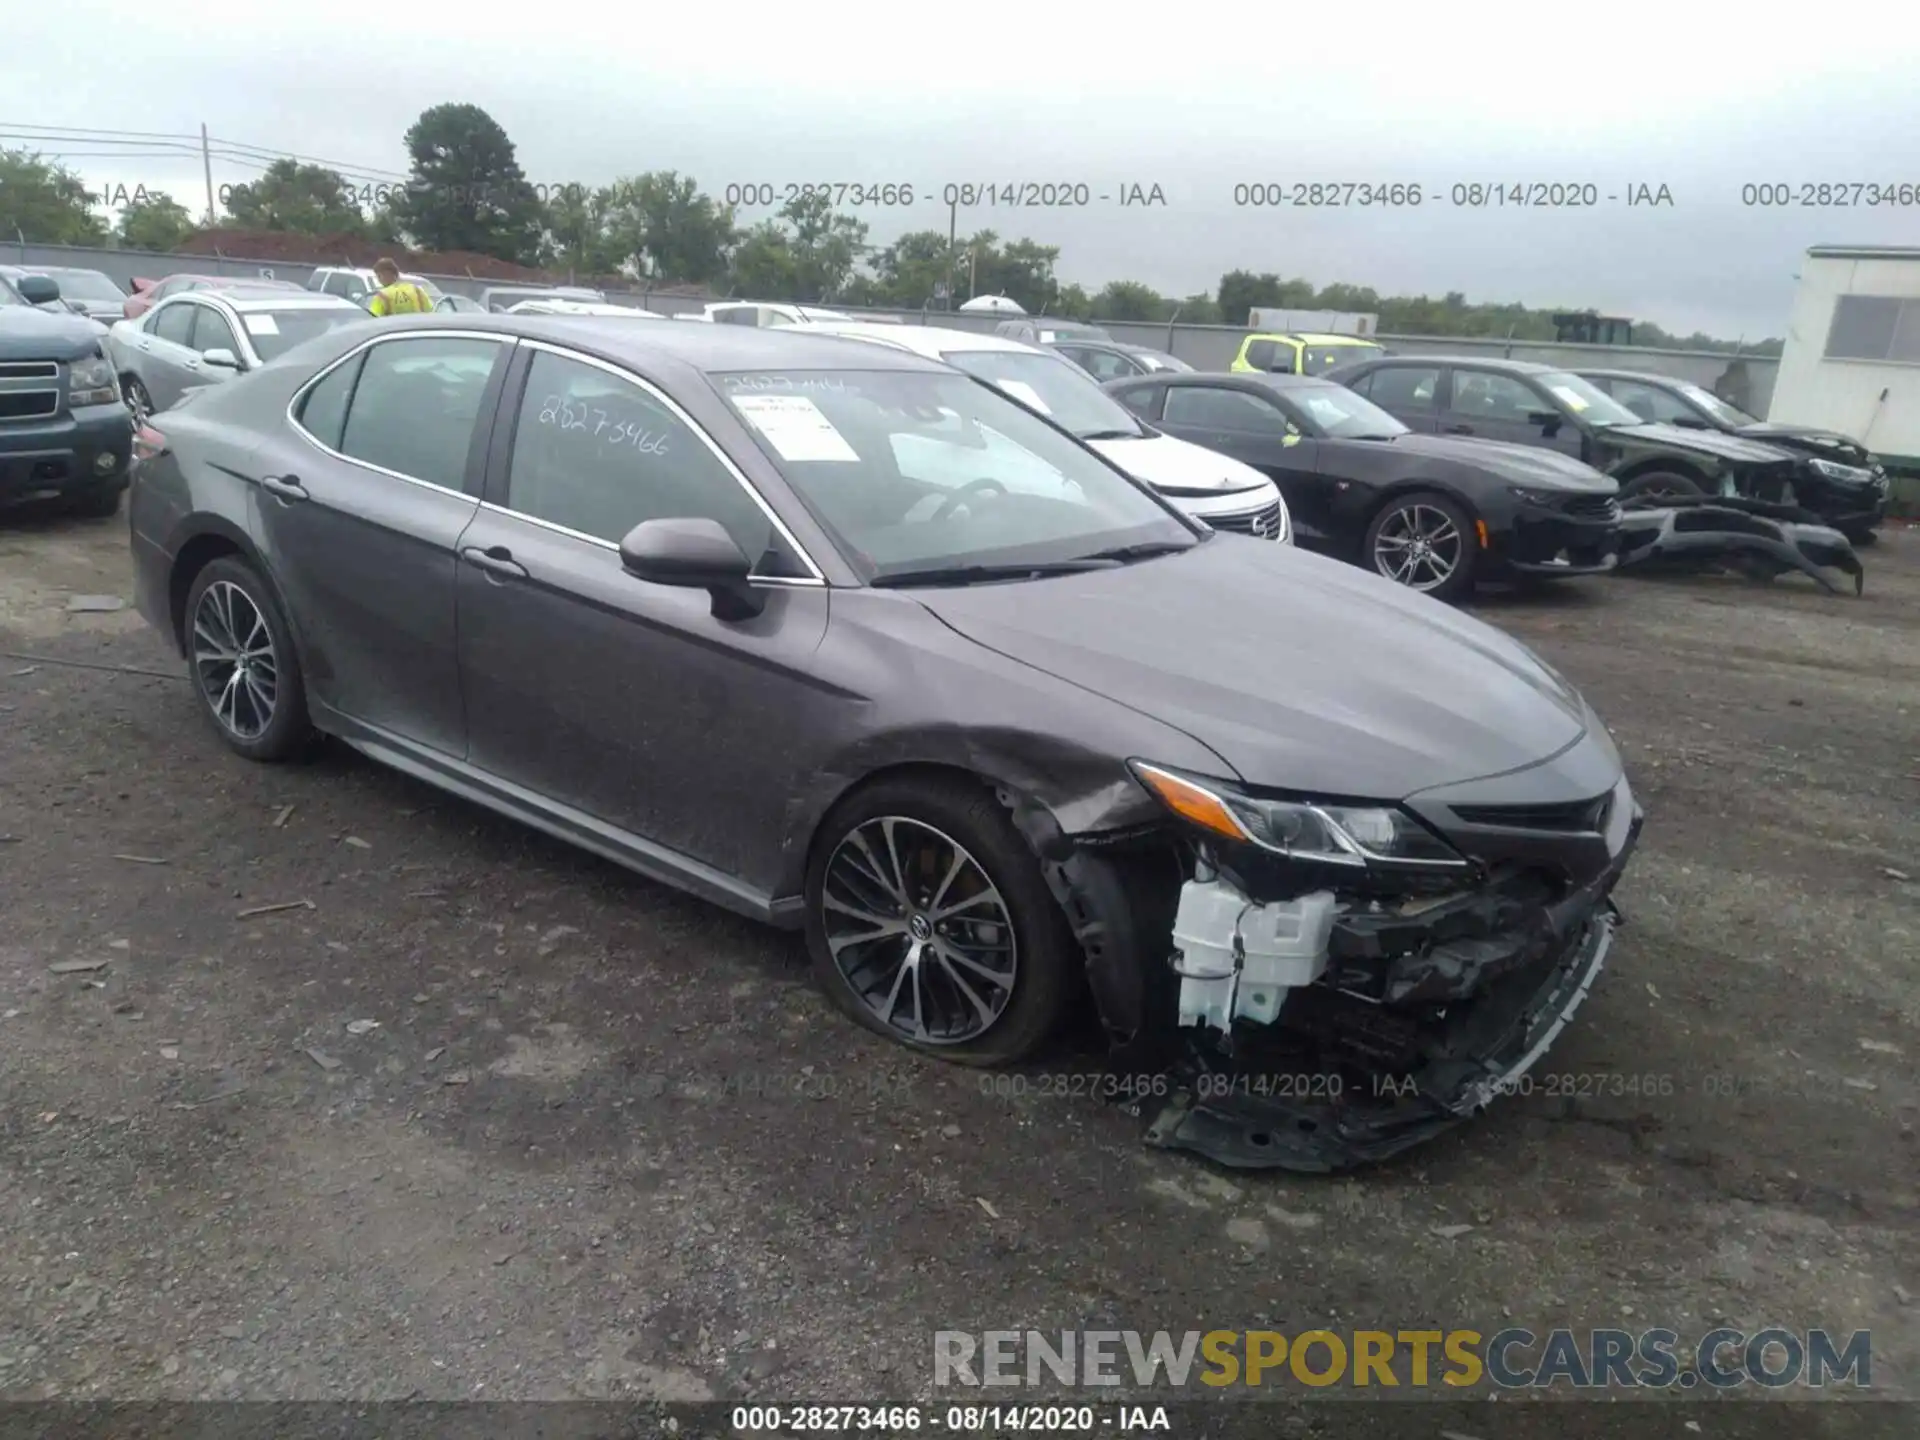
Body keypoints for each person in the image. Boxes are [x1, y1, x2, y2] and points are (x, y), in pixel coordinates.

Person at [366, 259, 434, 318]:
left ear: (385, 274)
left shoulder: (382, 295)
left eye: (379, 276)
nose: (379, 280)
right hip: (417, 330)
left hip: (394, 331)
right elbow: (431, 311)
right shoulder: (416, 290)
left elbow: (373, 318)